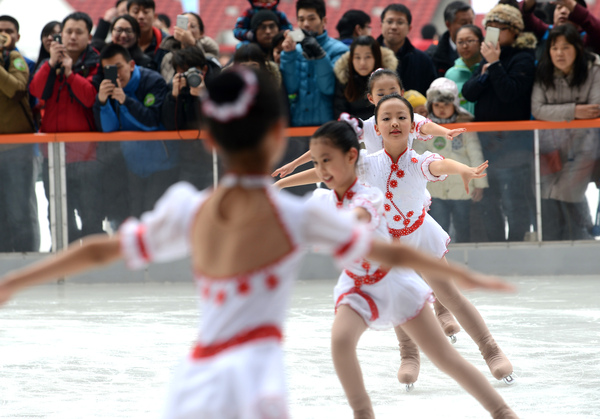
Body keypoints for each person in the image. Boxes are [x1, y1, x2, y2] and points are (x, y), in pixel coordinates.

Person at [0, 66, 516, 419]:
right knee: (375, 337)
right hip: (260, 382)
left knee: (380, 334)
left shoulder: (191, 207)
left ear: (207, 138)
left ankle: (449, 372)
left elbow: (99, 248)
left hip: (197, 381)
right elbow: (384, 250)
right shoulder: (298, 215)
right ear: (276, 138)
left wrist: (18, 280)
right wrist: (463, 274)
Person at [275, 93, 515, 390]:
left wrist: (464, 169)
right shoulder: (366, 163)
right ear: (376, 128)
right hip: (389, 242)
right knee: (400, 297)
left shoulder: (418, 161)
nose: (394, 123)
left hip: (420, 234)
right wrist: (283, 182)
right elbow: (329, 172)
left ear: (413, 125)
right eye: (386, 118)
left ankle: (490, 349)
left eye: (402, 117)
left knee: (449, 295)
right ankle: (409, 355)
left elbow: (440, 167)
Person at [462, 4, 537, 242]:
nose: (492, 33)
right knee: (489, 202)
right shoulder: (487, 58)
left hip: (514, 146)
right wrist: (486, 71)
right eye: (489, 28)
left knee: (515, 202)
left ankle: (515, 246)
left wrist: (494, 65)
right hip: (486, 146)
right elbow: (469, 92)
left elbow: (510, 94)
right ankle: (495, 244)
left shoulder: (523, 58)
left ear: (514, 30)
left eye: (499, 28)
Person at [29, 11, 105, 244]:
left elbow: (91, 98)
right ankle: (62, 268)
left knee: (91, 215)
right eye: (68, 31)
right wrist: (51, 63)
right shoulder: (48, 63)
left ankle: (92, 267)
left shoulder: (96, 63)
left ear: (89, 36)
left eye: (78, 32)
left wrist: (71, 74)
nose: (72, 37)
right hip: (53, 154)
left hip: (87, 156)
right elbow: (36, 92)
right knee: (58, 215)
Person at [531, 23, 600, 240]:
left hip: (586, 146)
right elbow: (537, 109)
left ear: (578, 49)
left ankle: (581, 240)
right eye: (554, 48)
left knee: (568, 193)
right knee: (547, 195)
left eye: (565, 47)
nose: (559, 53)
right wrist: (575, 110)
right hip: (549, 147)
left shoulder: (594, 69)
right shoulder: (543, 72)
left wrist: (556, 113)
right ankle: (559, 244)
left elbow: (596, 108)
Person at [93, 43, 174, 219]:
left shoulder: (153, 81)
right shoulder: (109, 87)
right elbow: (109, 129)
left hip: (161, 165)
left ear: (131, 65)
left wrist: (125, 101)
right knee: (135, 217)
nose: (115, 74)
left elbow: (152, 122)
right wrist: (102, 102)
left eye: (118, 67)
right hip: (132, 166)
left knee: (155, 218)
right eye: (109, 69)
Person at [413, 78, 488, 243]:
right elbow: (416, 157)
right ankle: (442, 259)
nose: (441, 109)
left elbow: (475, 154)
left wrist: (480, 184)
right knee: (439, 227)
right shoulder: (425, 129)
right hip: (435, 190)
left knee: (463, 226)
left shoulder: (465, 127)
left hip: (462, 189)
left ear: (454, 105)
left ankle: (463, 257)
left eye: (446, 105)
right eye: (437, 105)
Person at [0, 16, 39, 252]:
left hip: (18, 150)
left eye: (8, 31)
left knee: (20, 211)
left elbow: (16, 89)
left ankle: (28, 260)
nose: (3, 34)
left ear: (17, 37)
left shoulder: (19, 60)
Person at [280, 0, 348, 127]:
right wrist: (288, 55)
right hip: (297, 126)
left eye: (311, 19)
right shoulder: (294, 51)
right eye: (301, 19)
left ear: (324, 21)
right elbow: (290, 89)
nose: (306, 24)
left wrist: (319, 55)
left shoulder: (340, 50)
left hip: (327, 126)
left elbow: (328, 88)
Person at [162, 46, 215, 191]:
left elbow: (217, 123)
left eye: (192, 71)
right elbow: (171, 125)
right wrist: (174, 97)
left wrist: (203, 97)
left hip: (214, 160)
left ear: (204, 69)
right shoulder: (175, 89)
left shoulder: (216, 87)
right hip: (186, 161)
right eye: (182, 72)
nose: (188, 76)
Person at [376, 4, 436, 95]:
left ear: (409, 28)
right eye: (389, 21)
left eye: (400, 22)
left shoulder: (423, 60)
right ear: (381, 25)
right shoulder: (369, 57)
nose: (394, 27)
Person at [333, 35, 397, 120]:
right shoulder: (344, 79)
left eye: (368, 57)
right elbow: (340, 112)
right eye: (357, 57)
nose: (362, 63)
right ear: (351, 59)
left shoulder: (390, 79)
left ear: (376, 58)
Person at [520, 0, 600, 57]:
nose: (563, 11)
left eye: (569, 8)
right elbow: (523, 18)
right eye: (559, 7)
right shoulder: (545, 32)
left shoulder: (587, 38)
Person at [159, 12, 220, 83]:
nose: (187, 30)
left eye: (192, 26)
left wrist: (192, 43)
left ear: (201, 32)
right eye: (183, 25)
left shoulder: (210, 50)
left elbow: (210, 72)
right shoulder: (168, 57)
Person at [444, 24, 483, 115]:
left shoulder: (487, 70)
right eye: (460, 42)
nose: (465, 46)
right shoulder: (450, 74)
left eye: (470, 41)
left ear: (481, 42)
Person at [431, 1, 475, 78]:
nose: (469, 27)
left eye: (471, 22)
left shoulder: (484, 50)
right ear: (448, 24)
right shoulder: (434, 56)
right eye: (463, 23)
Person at [127, 0, 169, 68]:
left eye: (146, 12)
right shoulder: (120, 43)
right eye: (136, 12)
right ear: (127, 15)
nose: (141, 16)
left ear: (155, 16)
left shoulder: (167, 44)